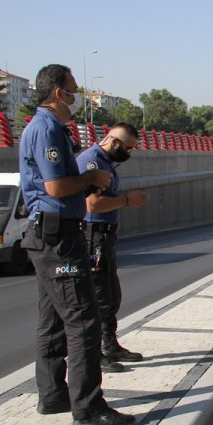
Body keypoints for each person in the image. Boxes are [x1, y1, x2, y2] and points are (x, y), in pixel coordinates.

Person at [18, 63, 135, 425]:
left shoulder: (42, 127)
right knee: (84, 320)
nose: (77, 94)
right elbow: (55, 187)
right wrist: (92, 178)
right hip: (59, 237)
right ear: (58, 93)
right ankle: (88, 407)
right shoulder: (48, 128)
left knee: (52, 319)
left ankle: (53, 395)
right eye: (73, 87)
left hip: (46, 234)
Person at [76, 123, 148, 366]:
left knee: (110, 294)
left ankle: (110, 344)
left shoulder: (106, 162)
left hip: (104, 236)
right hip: (93, 234)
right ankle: (97, 352)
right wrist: (127, 199)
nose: (129, 153)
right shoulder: (92, 162)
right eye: (128, 148)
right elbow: (92, 205)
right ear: (113, 141)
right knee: (98, 295)